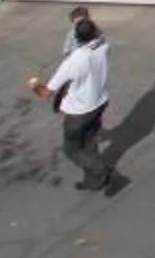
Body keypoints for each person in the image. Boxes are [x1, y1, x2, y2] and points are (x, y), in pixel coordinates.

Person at [27, 15, 114, 192]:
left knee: (72, 150)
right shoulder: (103, 46)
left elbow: (46, 93)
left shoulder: (75, 61)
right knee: (89, 142)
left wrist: (34, 84)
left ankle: (99, 170)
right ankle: (94, 181)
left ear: (77, 38)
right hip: (99, 103)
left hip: (79, 112)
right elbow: (97, 34)